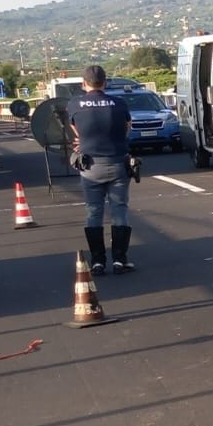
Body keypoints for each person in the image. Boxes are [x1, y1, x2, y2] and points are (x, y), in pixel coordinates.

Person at [67, 65, 137, 274]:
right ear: (105, 83)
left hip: (90, 165)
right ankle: (119, 260)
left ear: (83, 83)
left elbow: (75, 131)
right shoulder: (118, 103)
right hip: (117, 162)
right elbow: (127, 129)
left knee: (94, 211)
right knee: (119, 210)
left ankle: (98, 261)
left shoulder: (75, 104)